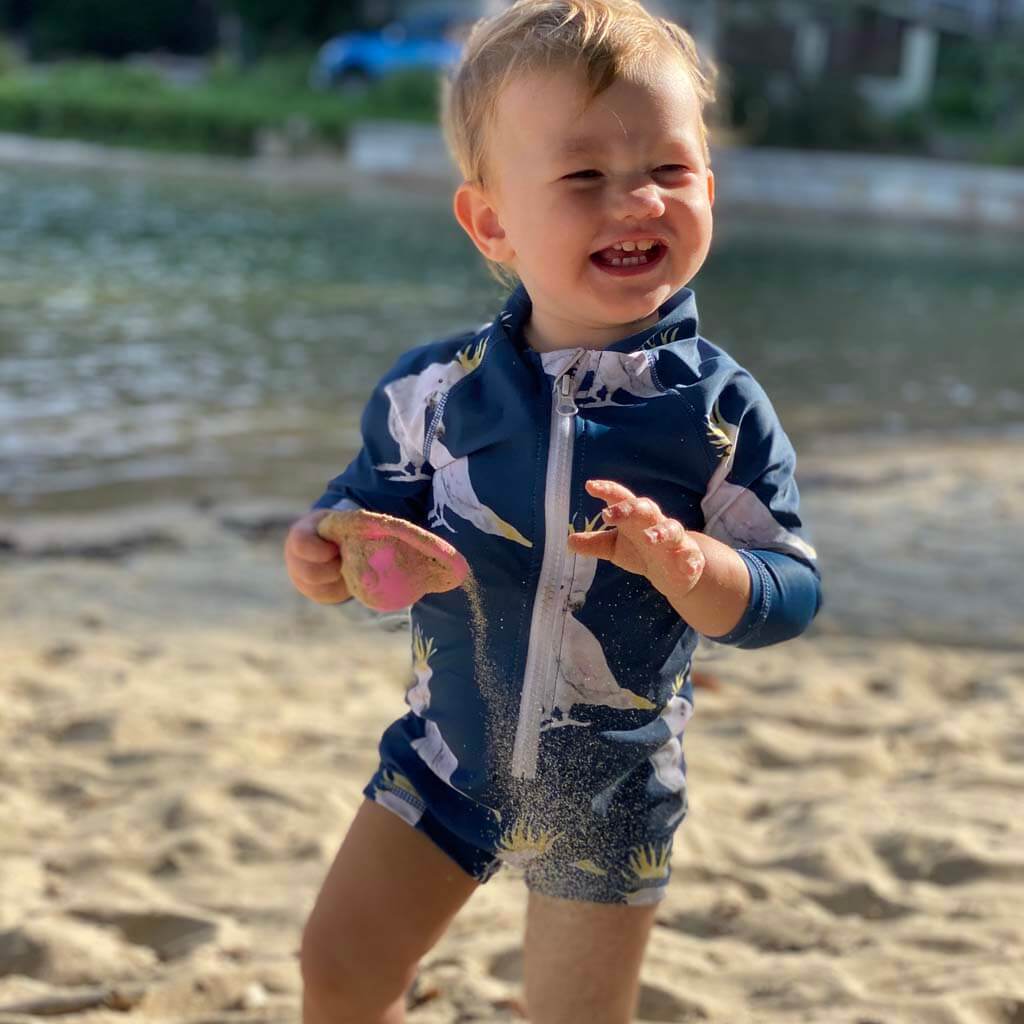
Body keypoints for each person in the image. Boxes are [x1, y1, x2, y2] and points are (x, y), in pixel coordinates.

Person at [285, 1, 822, 1021]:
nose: (634, 201)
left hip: (608, 790)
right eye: (584, 177)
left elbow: (788, 589)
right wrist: (322, 548)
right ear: (491, 220)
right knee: (339, 966)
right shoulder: (435, 391)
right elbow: (362, 508)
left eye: (668, 170)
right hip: (446, 757)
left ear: (708, 187)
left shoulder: (716, 412)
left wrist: (692, 565)